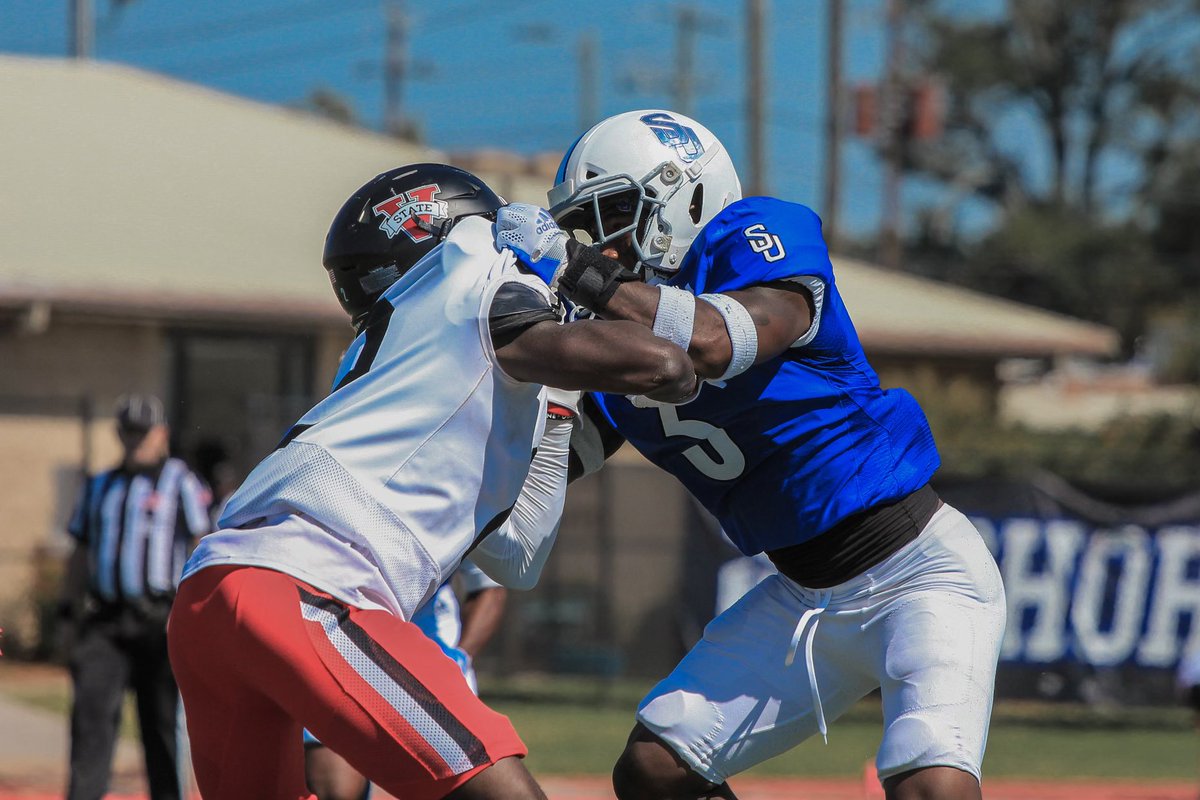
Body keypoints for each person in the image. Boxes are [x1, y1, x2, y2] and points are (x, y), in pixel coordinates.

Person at [499, 110, 1007, 800]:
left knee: (931, 788)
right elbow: (553, 467)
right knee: (653, 771)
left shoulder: (754, 234)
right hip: (802, 592)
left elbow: (716, 340)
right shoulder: (623, 337)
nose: (605, 244)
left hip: (917, 569)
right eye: (589, 227)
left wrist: (577, 272)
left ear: (685, 190)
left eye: (615, 211)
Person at [166, 163, 697, 800]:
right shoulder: (481, 280)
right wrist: (574, 268)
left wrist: (556, 407)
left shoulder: (392, 350)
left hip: (207, 595)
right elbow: (667, 365)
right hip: (311, 587)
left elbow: (516, 553)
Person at [58, 393, 212, 800]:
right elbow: (79, 551)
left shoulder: (181, 481)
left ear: (162, 434)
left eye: (143, 433)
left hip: (160, 622)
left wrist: (192, 616)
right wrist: (67, 614)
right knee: (90, 723)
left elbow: (204, 547)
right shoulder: (99, 485)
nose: (135, 442)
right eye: (128, 433)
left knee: (162, 729)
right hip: (106, 621)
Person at [304, 561, 508, 800]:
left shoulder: (465, 524)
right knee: (337, 792)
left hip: (430, 672)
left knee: (463, 789)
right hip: (342, 653)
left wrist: (459, 658)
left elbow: (490, 588)